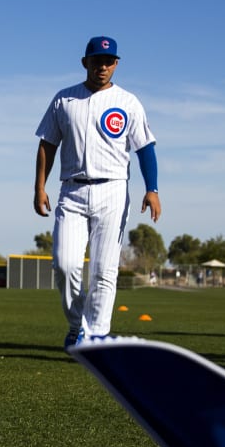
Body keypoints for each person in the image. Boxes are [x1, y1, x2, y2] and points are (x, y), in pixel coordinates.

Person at [34, 36, 161, 347]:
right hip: (72, 190)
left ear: (116, 64)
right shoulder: (65, 99)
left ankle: (97, 335)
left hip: (113, 190)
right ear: (85, 63)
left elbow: (145, 148)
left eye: (108, 61)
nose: (102, 66)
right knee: (64, 265)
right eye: (96, 60)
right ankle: (77, 323)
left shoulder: (128, 101)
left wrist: (152, 189)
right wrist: (39, 187)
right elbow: (47, 144)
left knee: (104, 270)